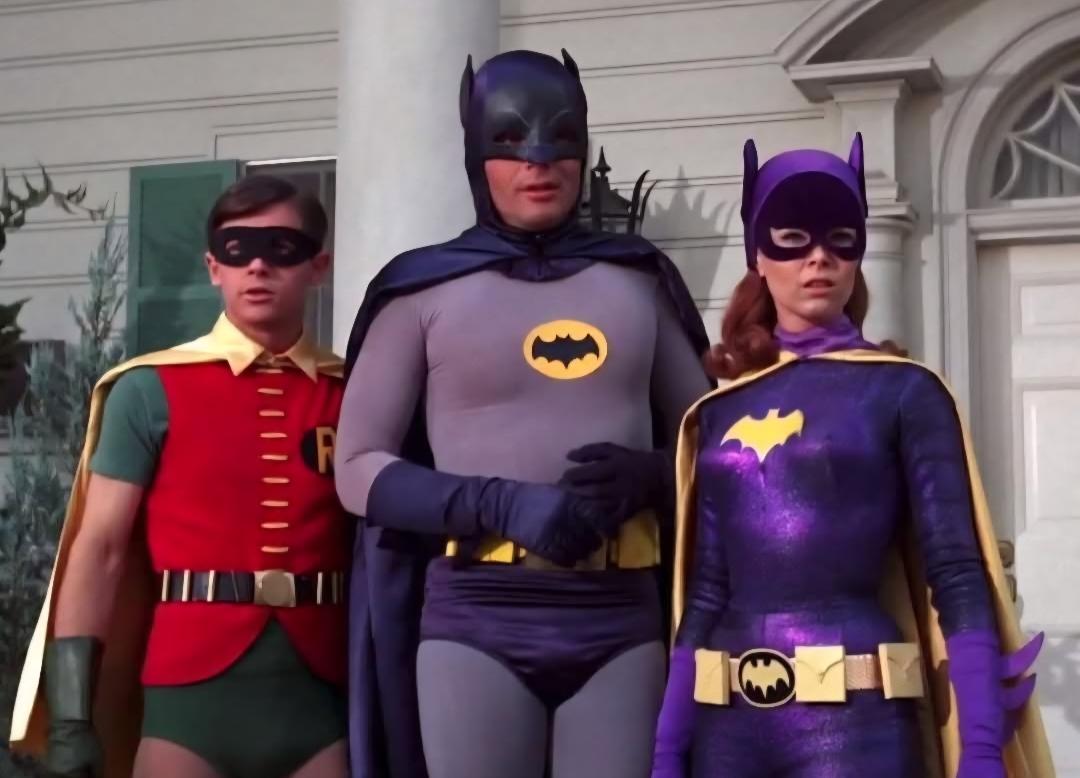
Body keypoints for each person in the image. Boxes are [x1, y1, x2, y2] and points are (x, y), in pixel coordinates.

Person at [337, 49, 712, 778]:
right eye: (510, 142)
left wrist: (653, 475)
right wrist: (493, 503)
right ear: (476, 155)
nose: (538, 163)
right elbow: (355, 468)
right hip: (477, 613)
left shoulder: (639, 281)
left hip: (620, 611)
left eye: (560, 139)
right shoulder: (420, 290)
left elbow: (717, 443)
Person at [649, 135, 1055, 778]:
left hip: (857, 721)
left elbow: (956, 571)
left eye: (841, 239)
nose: (819, 258)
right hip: (725, 725)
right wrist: (668, 751)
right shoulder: (720, 410)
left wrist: (981, 749)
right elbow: (705, 592)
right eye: (793, 237)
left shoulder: (904, 390)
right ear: (759, 256)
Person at [9, 175, 351, 778]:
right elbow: (101, 548)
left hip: (323, 694)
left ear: (318, 266)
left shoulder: (357, 391)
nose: (258, 267)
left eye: (281, 248)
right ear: (214, 267)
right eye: (237, 250)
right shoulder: (149, 388)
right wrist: (71, 719)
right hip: (187, 705)